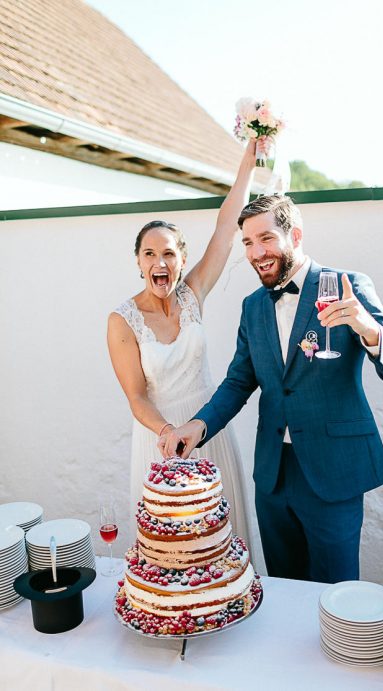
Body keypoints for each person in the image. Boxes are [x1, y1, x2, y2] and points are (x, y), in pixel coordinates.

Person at [159, 194, 383, 584]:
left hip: (334, 470)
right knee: (284, 586)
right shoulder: (252, 307)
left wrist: (368, 328)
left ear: (294, 235)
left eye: (266, 239)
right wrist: (198, 426)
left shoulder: (349, 287)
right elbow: (238, 382)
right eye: (248, 243)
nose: (256, 253)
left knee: (337, 590)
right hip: (273, 476)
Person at [107, 138, 268, 553]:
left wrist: (248, 162)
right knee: (175, 554)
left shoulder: (193, 294)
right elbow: (136, 396)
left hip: (208, 429)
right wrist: (168, 431)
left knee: (224, 545)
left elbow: (227, 226)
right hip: (160, 439)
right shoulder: (121, 320)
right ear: (138, 261)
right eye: (149, 254)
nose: (159, 263)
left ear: (182, 258)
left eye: (168, 254)